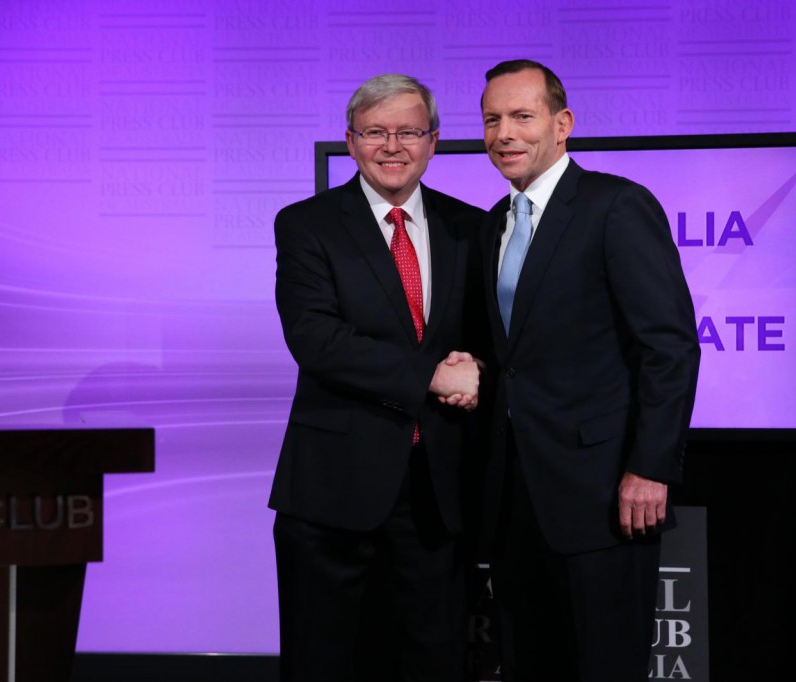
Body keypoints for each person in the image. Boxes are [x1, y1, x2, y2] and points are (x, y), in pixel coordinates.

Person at [476, 60, 701, 681]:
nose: (504, 134)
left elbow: (671, 347)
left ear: (562, 123)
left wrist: (650, 466)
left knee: (605, 665)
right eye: (492, 119)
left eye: (522, 117)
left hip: (606, 494)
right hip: (515, 497)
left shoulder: (616, 206)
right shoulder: (494, 221)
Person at [270, 74, 486, 682]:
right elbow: (317, 341)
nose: (392, 146)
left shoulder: (471, 227)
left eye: (408, 131)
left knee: (433, 659)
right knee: (325, 662)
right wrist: (430, 379)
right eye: (375, 132)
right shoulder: (307, 224)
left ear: (433, 142)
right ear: (350, 141)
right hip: (333, 491)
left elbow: (489, 341)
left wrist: (477, 370)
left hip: (437, 490)